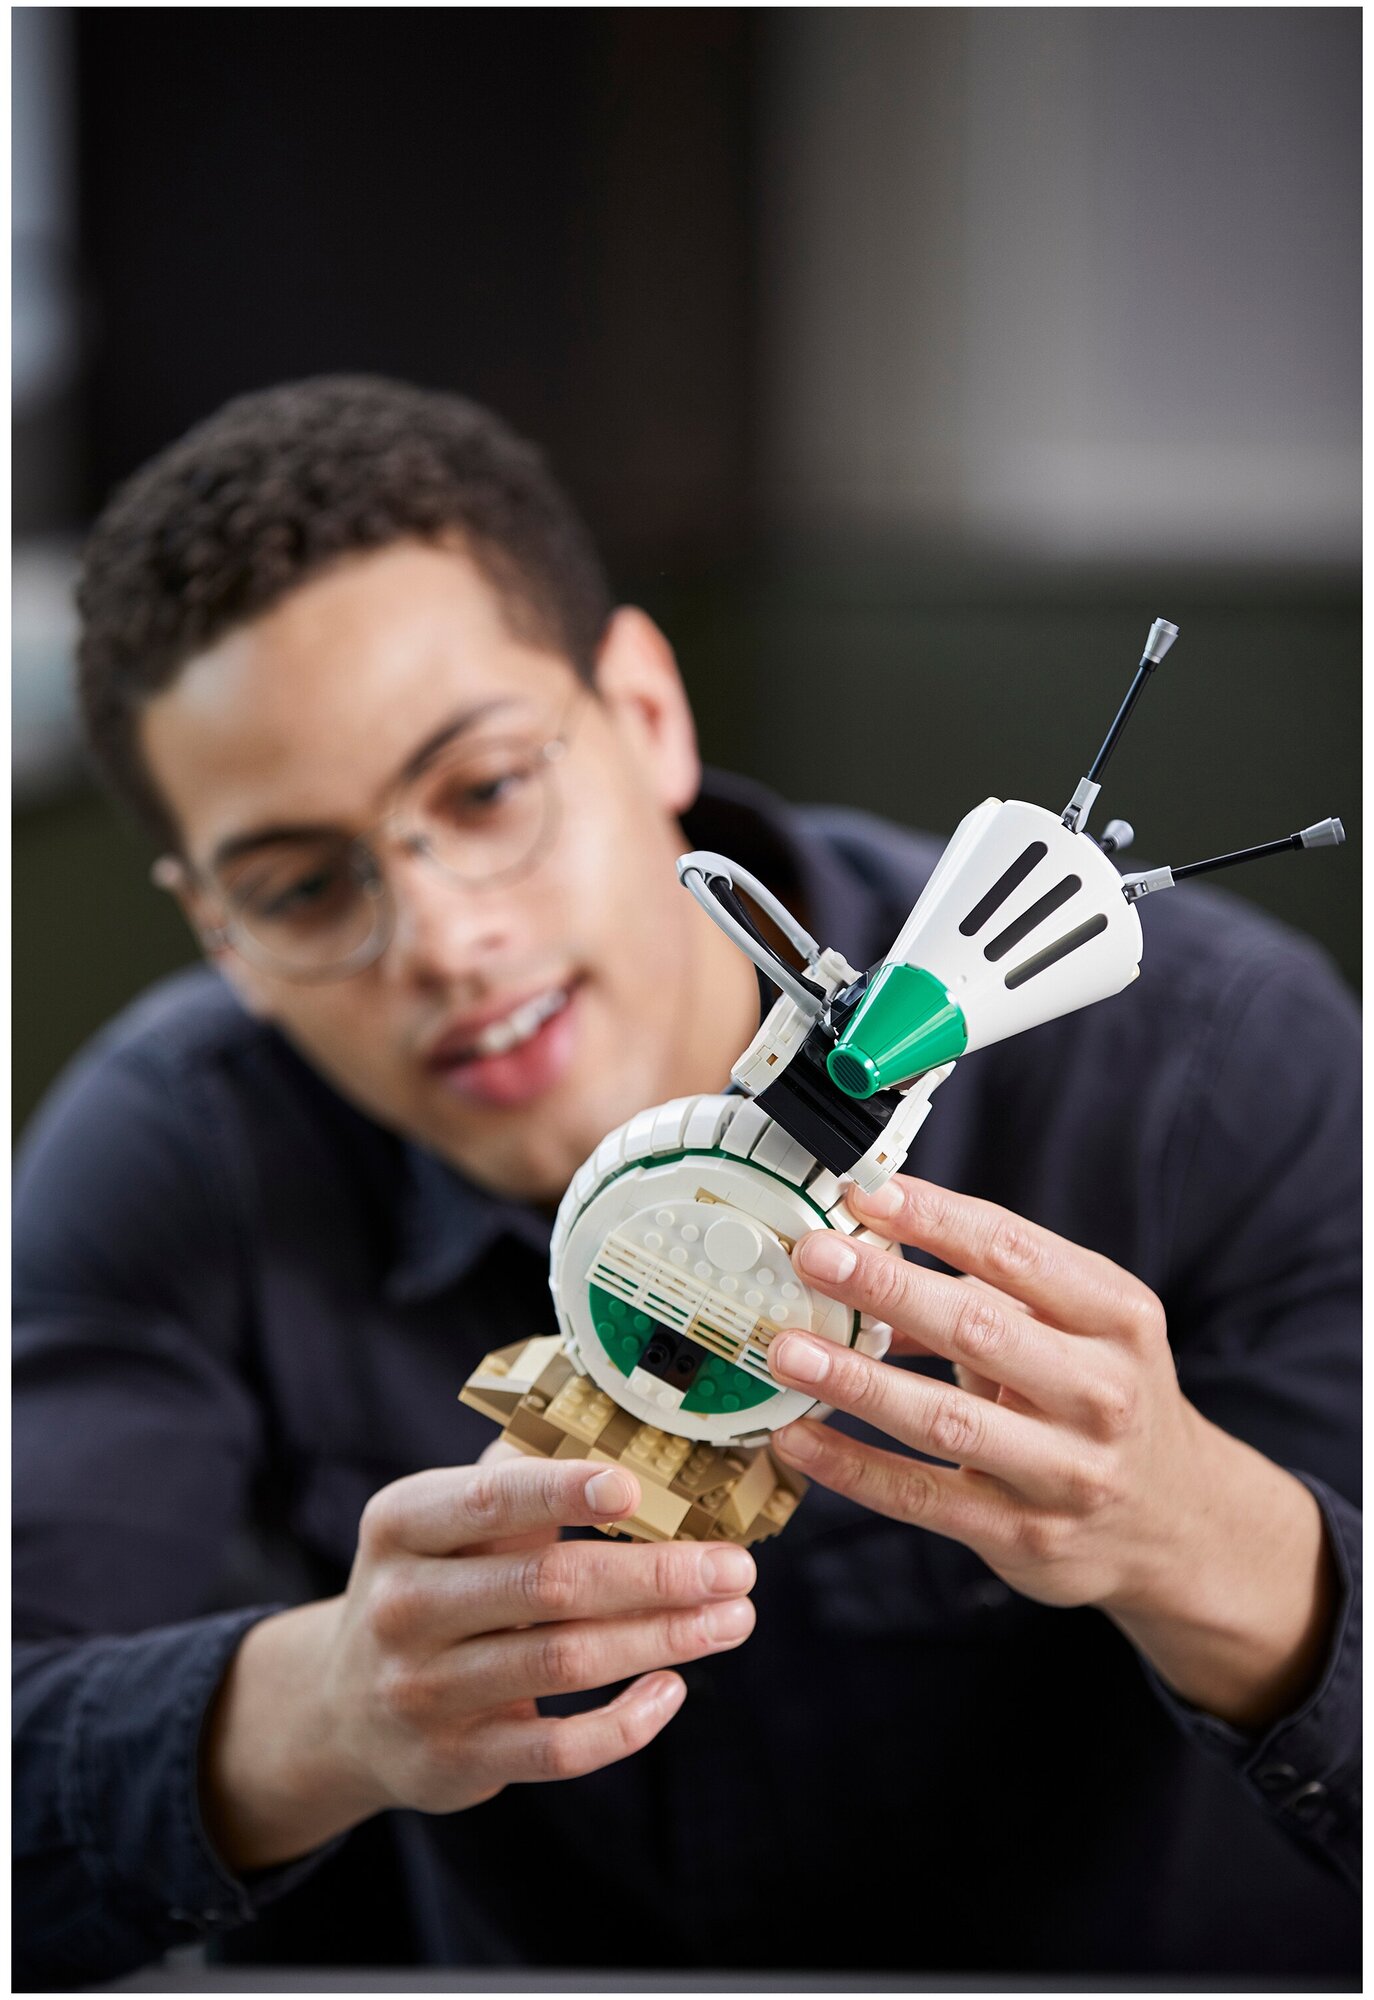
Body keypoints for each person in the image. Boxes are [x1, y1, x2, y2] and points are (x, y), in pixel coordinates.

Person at [14, 377, 1359, 1986]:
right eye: (303, 887)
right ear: (215, 930)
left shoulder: (1213, 1072)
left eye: (486, 791)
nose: (446, 940)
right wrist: (330, 1703)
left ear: (645, 711)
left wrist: (1195, 1532)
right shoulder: (178, 1153)